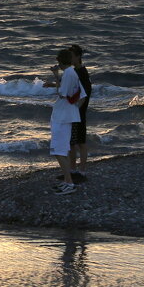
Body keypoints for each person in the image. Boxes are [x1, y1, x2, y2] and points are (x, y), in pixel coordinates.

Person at [45, 47, 86, 195]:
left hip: (62, 117)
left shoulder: (68, 74)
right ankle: (68, 181)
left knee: (59, 150)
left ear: (59, 61)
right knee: (61, 150)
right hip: (66, 115)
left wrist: (56, 77)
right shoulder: (72, 73)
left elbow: (62, 93)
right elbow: (82, 94)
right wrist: (74, 109)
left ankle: (69, 183)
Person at [68, 45, 92, 179]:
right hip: (74, 110)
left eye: (72, 56)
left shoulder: (82, 72)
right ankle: (72, 169)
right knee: (72, 141)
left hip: (79, 111)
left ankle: (82, 171)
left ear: (78, 57)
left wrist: (78, 109)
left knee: (81, 141)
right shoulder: (74, 71)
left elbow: (86, 93)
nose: (70, 59)